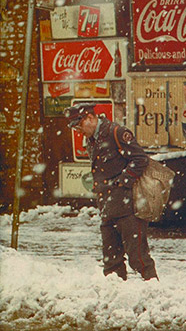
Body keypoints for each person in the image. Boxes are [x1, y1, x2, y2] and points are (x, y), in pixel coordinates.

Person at [64, 103, 158, 281]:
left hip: (128, 208)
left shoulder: (115, 132)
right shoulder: (92, 139)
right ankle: (116, 295)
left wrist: (122, 183)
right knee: (111, 262)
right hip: (107, 209)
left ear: (90, 118)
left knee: (138, 258)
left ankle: (154, 294)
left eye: (78, 126)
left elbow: (140, 159)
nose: (78, 131)